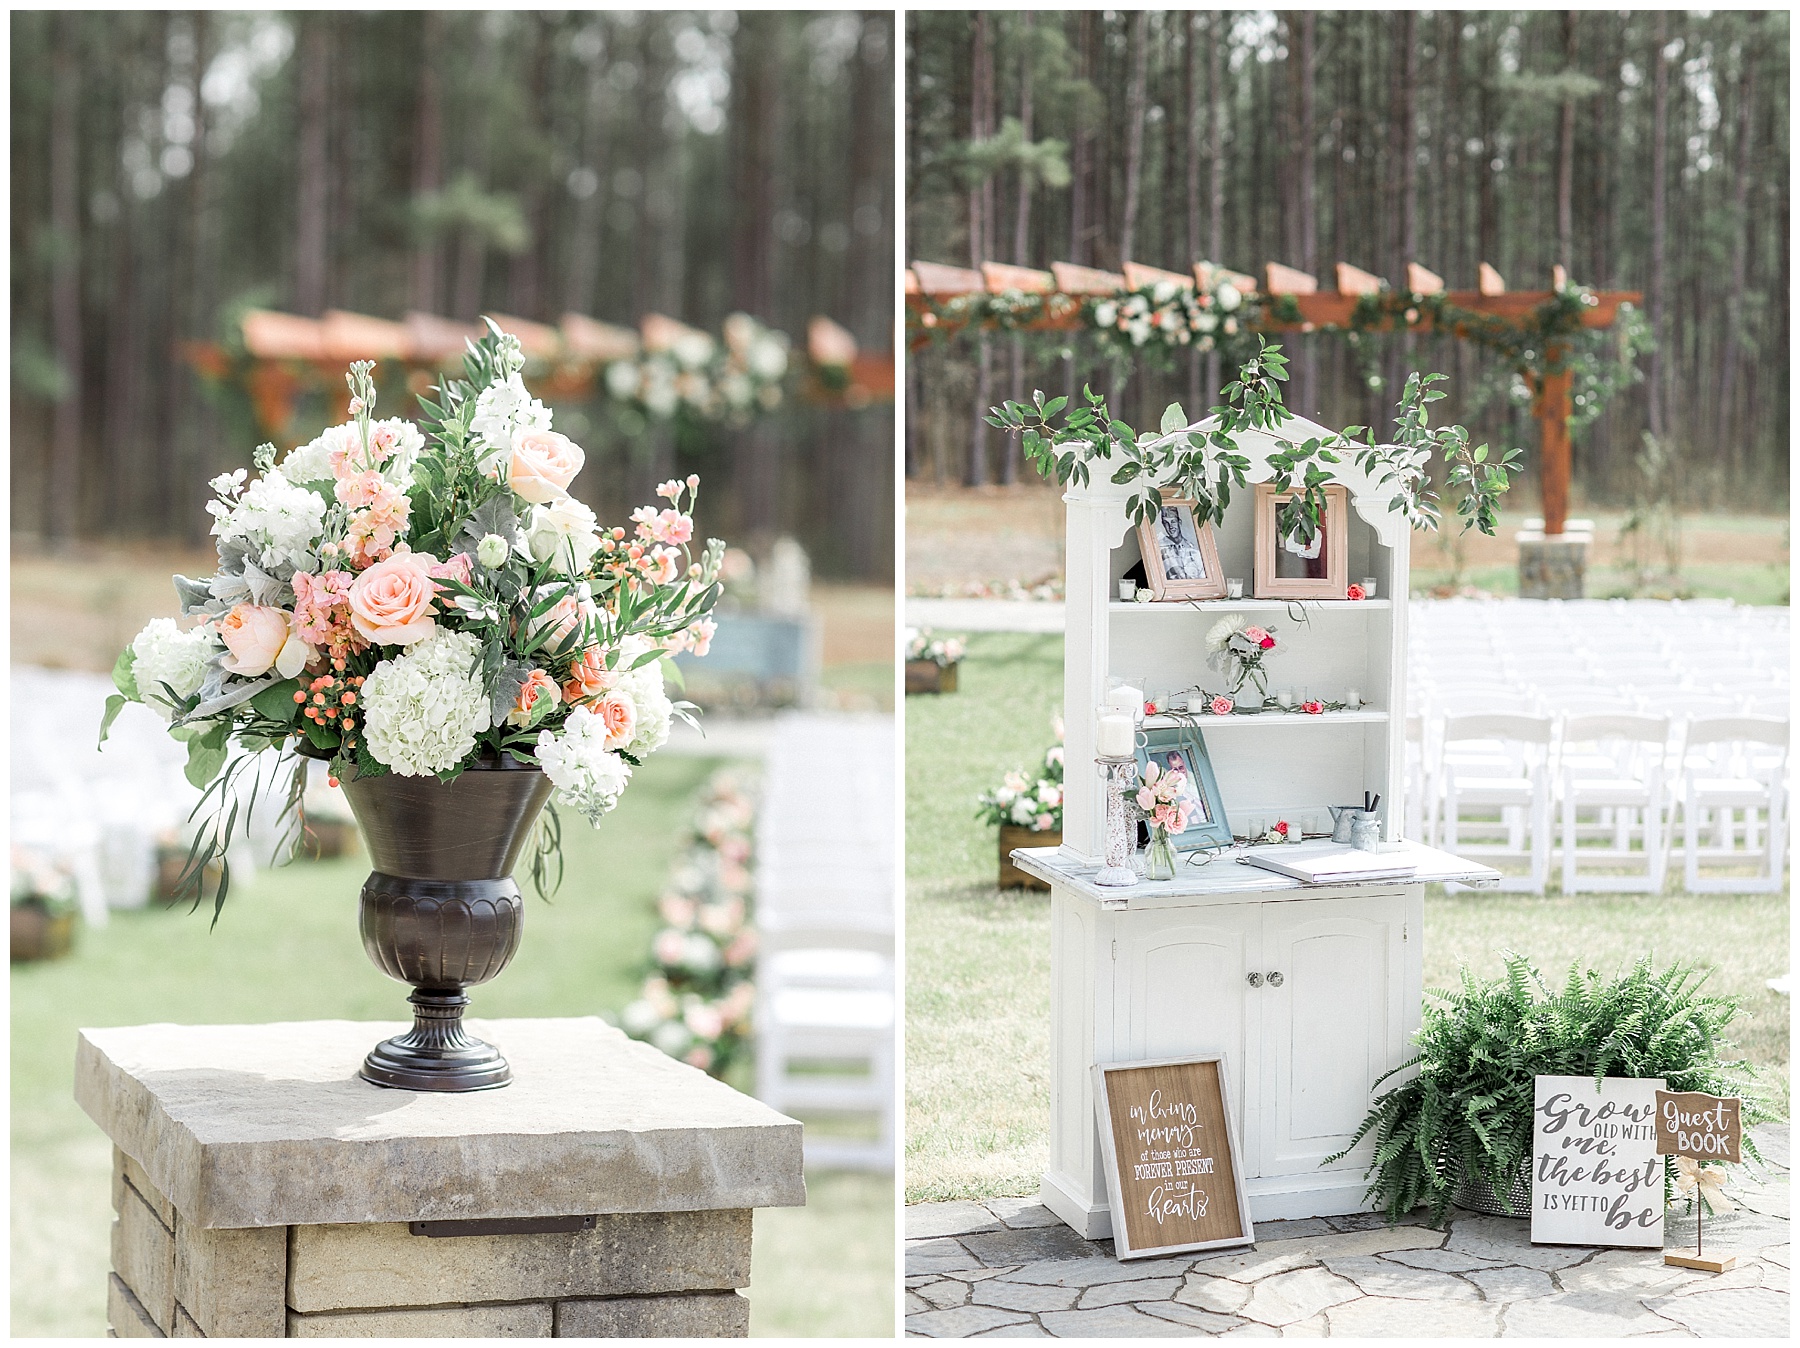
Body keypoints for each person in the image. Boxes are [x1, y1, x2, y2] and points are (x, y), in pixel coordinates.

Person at [1161, 750, 1210, 824]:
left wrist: (1190, 797)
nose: (1180, 772)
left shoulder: (1197, 780)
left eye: (1181, 767)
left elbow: (1208, 808)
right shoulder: (1172, 786)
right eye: (1175, 769)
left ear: (1184, 763)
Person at [1158, 505, 1205, 581]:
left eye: (1173, 522)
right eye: (1166, 523)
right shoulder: (1160, 548)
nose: (1170, 527)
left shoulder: (1193, 549)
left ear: (1179, 522)